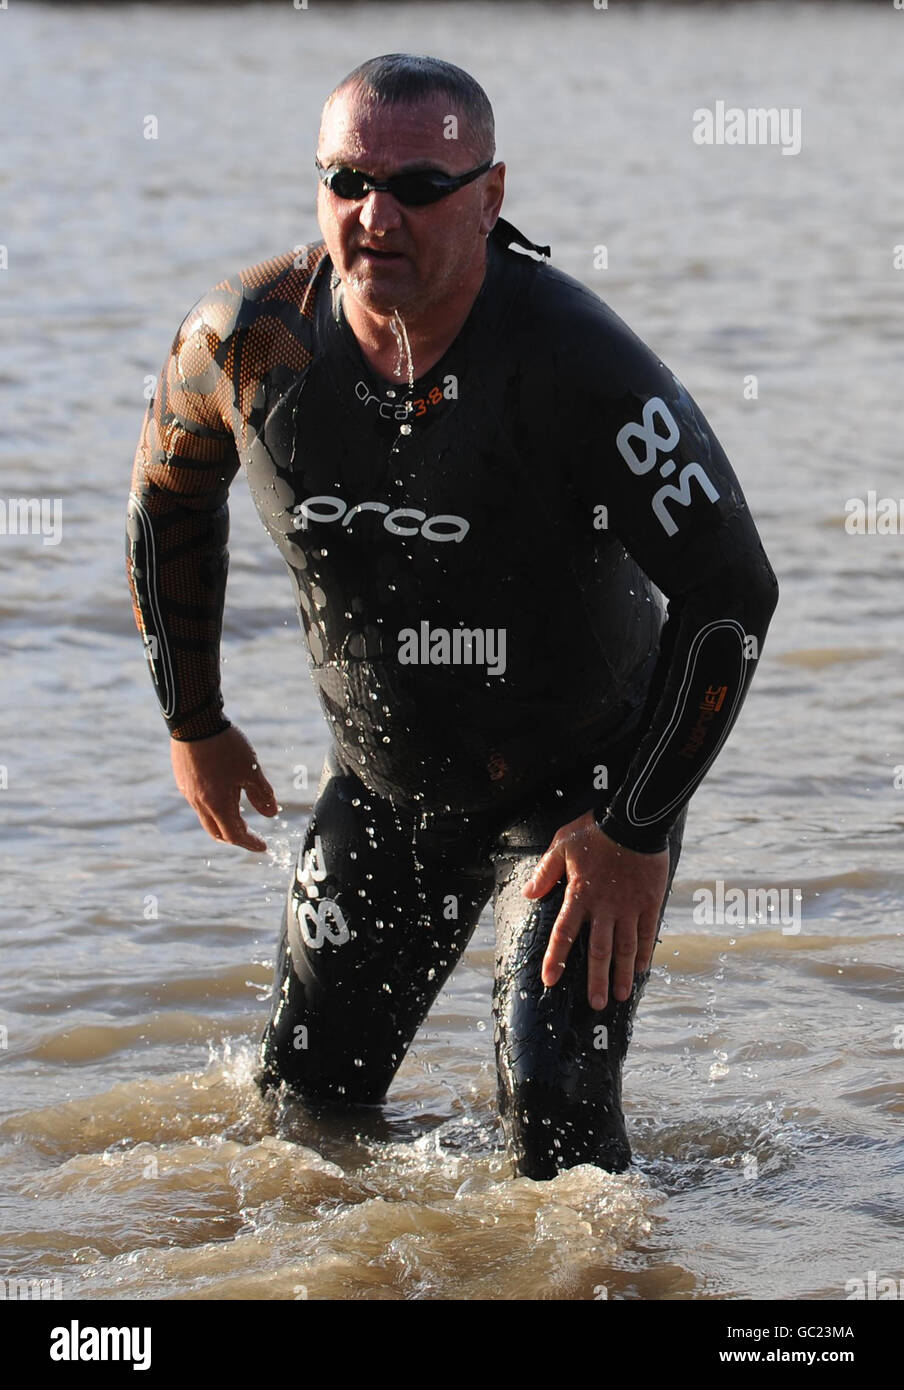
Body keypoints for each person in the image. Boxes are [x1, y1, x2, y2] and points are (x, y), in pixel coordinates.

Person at [126, 53, 779, 1180]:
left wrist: (633, 829)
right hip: (383, 785)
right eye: (346, 181)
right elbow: (166, 498)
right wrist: (193, 717)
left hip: (580, 792)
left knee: (557, 1137)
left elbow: (731, 593)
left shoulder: (577, 364)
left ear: (490, 195)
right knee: (299, 1128)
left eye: (419, 186)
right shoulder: (244, 340)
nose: (376, 215)